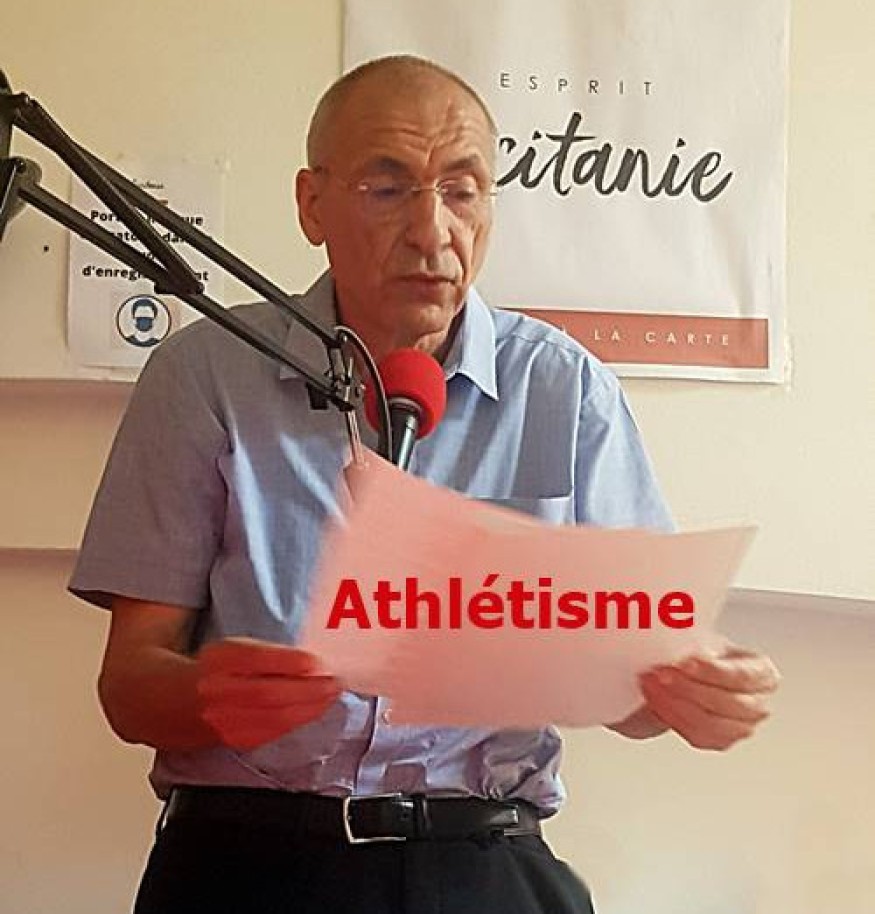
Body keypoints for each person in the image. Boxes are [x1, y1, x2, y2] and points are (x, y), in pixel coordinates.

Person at [70, 55, 780, 914]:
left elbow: (637, 687)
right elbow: (129, 689)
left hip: (480, 857)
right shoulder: (206, 373)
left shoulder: (563, 387)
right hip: (249, 860)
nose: (432, 231)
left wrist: (692, 690)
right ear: (311, 204)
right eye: (386, 188)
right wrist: (210, 696)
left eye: (463, 190)